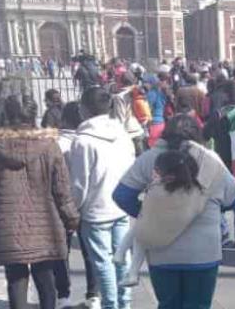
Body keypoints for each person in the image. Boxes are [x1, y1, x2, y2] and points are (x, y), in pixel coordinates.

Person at [0, 90, 80, 309]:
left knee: (15, 278)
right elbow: (62, 188)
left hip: (6, 221)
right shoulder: (49, 145)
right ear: (33, 116)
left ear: (8, 115)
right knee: (46, 276)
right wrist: (71, 218)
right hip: (44, 223)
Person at [113, 115, 235, 306]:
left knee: (168, 305)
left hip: (161, 252)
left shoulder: (150, 159)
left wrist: (150, 213)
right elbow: (233, 199)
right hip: (203, 252)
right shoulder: (211, 160)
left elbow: (122, 195)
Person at [68, 87, 136, 309]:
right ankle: (124, 303)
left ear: (84, 110)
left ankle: (111, 304)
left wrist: (74, 209)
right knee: (122, 259)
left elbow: (79, 184)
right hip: (121, 206)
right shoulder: (122, 133)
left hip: (96, 210)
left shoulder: (83, 141)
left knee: (103, 263)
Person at [54, 102, 101, 309]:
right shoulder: (90, 141)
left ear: (63, 120)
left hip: (59, 203)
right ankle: (94, 295)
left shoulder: (55, 143)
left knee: (61, 251)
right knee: (90, 250)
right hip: (87, 202)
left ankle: (63, 296)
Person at [202, 82, 235, 249]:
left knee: (219, 199)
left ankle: (223, 235)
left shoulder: (219, 115)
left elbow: (205, 134)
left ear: (226, 96)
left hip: (223, 164)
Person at [111, 72, 146, 155]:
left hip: (129, 134)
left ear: (120, 82)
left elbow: (120, 119)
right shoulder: (138, 92)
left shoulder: (119, 97)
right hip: (139, 130)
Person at [146, 75, 169, 148]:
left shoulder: (151, 94)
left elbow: (147, 109)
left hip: (153, 124)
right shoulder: (163, 94)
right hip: (162, 123)